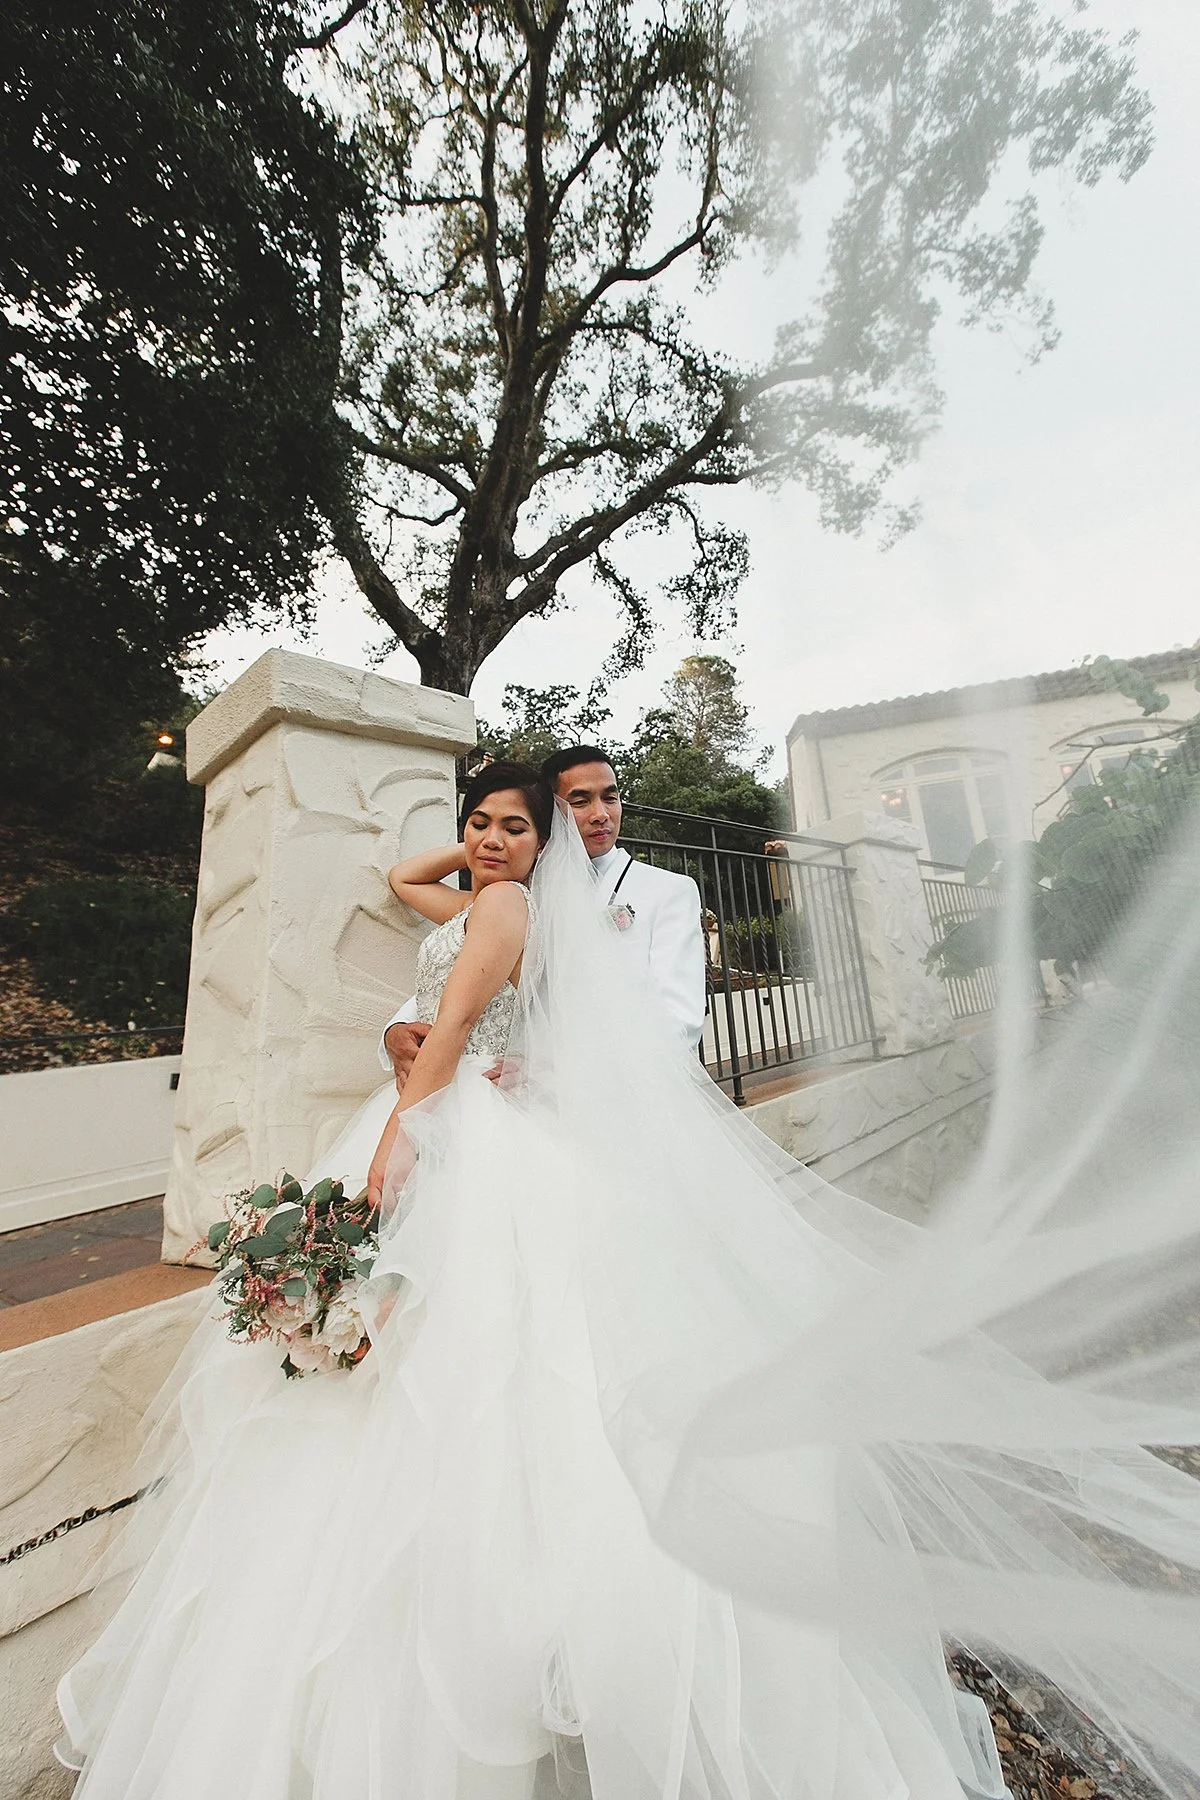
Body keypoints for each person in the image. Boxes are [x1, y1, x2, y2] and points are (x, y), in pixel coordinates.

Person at [55, 765, 1200, 1800]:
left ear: (551, 850)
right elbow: (417, 890)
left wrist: (393, 1153)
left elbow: (454, 1032)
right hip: (454, 1115)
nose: (490, 840)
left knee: (475, 1377)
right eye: (479, 821)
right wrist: (492, 848)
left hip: (444, 1131)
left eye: (516, 826)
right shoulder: (490, 898)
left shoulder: (506, 908)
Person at [379, 746, 705, 1092]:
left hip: (624, 1100)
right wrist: (395, 1029)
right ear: (550, 815)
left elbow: (679, 1024)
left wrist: (554, 1068)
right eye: (580, 802)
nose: (600, 814)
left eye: (610, 798)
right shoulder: (517, 894)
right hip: (506, 1100)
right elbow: (464, 971)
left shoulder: (669, 890)